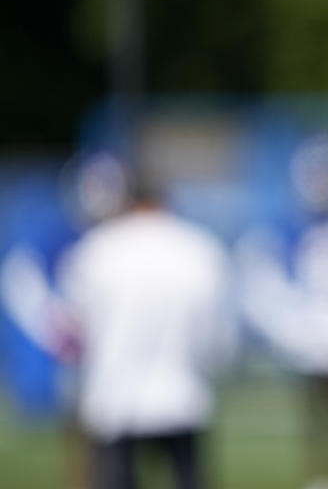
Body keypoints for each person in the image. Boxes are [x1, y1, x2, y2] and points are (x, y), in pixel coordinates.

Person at [58, 170, 235, 489]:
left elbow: (74, 329)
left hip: (115, 398)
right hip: (184, 393)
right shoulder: (200, 249)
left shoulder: (98, 250)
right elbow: (219, 335)